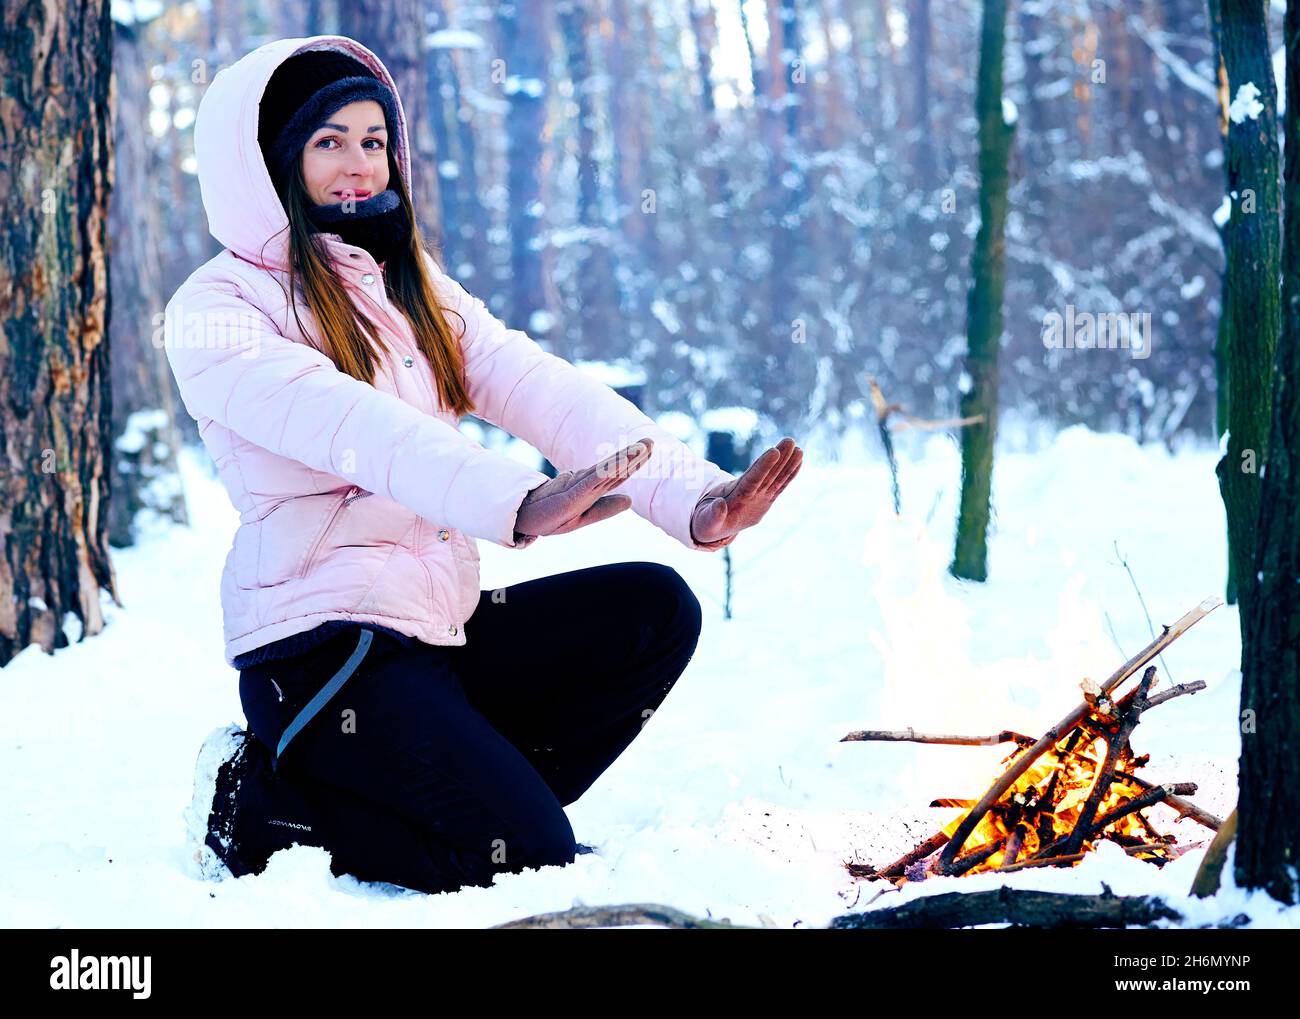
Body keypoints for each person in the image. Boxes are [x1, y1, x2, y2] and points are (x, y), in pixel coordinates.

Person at [169, 35, 803, 895]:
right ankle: (271, 808)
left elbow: (534, 384)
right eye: (327, 141)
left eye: (373, 140)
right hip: (324, 659)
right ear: (267, 160)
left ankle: (485, 801)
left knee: (652, 610)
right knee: (531, 860)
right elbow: (358, 428)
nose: (358, 165)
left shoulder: (401, 281)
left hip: (439, 629)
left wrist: (692, 497)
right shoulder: (216, 309)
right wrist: (517, 501)